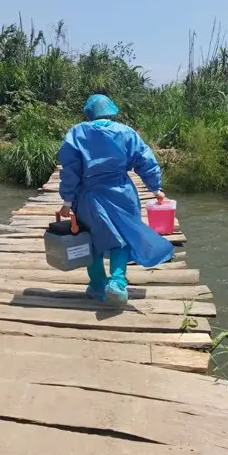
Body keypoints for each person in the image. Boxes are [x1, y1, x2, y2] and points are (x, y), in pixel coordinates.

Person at [56, 94, 174, 304]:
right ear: (111, 110)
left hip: (88, 196)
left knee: (91, 240)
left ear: (89, 113)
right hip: (122, 193)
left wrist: (67, 201)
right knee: (123, 237)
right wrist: (155, 188)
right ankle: (118, 283)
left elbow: (70, 170)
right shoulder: (126, 132)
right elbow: (145, 160)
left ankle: (97, 285)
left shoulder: (76, 133)